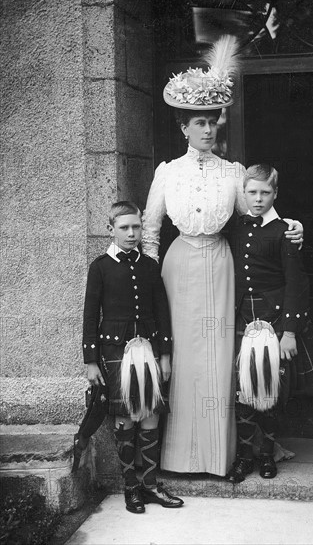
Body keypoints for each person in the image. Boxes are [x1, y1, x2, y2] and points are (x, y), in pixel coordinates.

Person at [141, 35, 304, 476]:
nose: (208, 129)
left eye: (212, 121)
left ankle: (220, 455)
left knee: (216, 360)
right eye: (199, 122)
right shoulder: (167, 173)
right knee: (183, 358)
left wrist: (291, 227)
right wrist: (150, 284)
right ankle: (178, 456)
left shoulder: (233, 173)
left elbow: (258, 208)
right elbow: (152, 231)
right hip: (177, 268)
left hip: (219, 266)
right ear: (183, 127)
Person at [81, 201, 184, 513]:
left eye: (136, 226)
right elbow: (89, 316)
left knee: (150, 414)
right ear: (110, 229)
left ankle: (151, 486)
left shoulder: (150, 266)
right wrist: (90, 360)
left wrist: (165, 354)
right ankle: (131, 488)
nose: (131, 233)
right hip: (115, 352)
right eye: (124, 227)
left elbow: (162, 313)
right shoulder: (99, 267)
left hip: (149, 350)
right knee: (125, 419)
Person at [226, 164, 313, 483]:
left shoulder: (285, 231)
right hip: (243, 315)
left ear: (276, 194)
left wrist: (290, 332)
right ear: (244, 194)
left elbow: (297, 283)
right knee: (243, 389)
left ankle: (267, 455)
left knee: (269, 386)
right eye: (252, 192)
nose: (258, 199)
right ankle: (243, 458)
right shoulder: (238, 227)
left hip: (274, 318)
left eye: (265, 192)